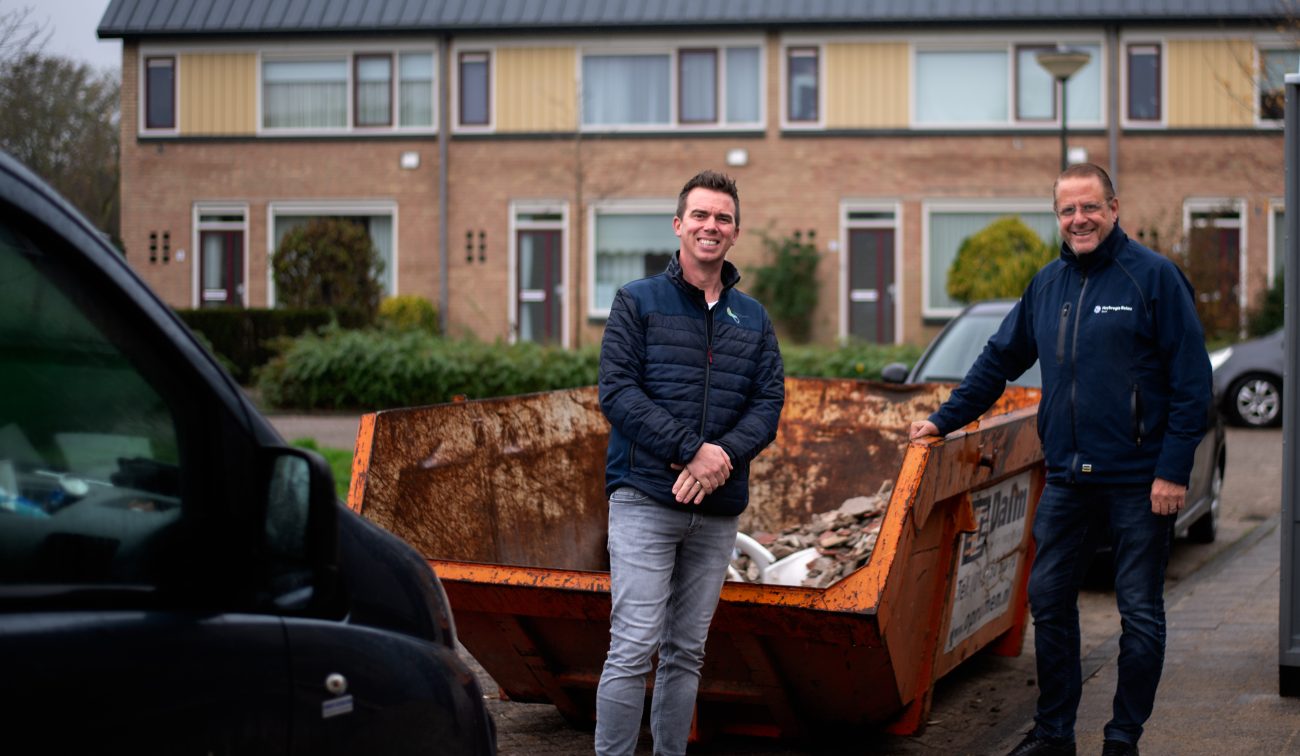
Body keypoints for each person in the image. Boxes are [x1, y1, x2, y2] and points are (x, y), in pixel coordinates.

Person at [908, 164, 1211, 756]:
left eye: (1090, 207)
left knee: (1141, 614)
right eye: (1068, 210)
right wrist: (943, 420)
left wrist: (1173, 470)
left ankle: (1122, 739)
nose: (1079, 219)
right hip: (1070, 478)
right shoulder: (1046, 286)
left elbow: (1191, 383)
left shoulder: (1153, 279)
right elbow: (999, 360)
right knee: (1048, 601)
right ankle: (1054, 736)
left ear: (1114, 208)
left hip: (1139, 482)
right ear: (1058, 218)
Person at [594, 170, 785, 756]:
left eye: (722, 218)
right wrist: (691, 450)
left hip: (717, 508)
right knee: (632, 645)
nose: (711, 226)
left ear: (735, 233)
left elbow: (769, 401)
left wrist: (722, 457)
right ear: (679, 226)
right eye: (700, 215)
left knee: (687, 651)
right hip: (645, 500)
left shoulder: (752, 317)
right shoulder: (637, 301)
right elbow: (617, 392)